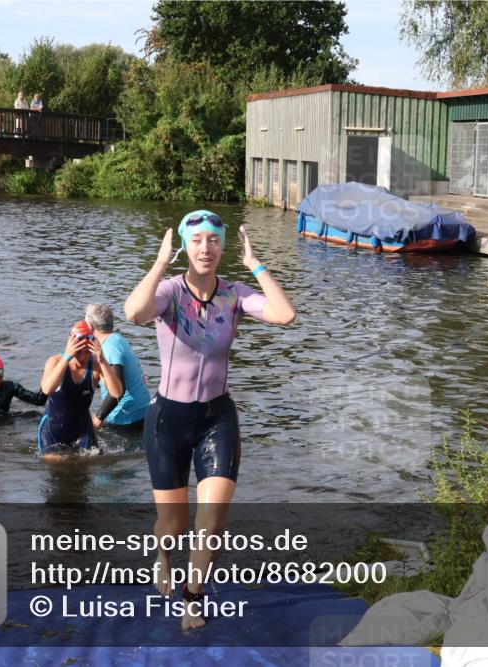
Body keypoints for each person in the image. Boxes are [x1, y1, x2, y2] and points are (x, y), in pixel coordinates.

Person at [124, 210, 296, 630]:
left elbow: (284, 314)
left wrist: (256, 263)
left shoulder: (234, 294)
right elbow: (133, 313)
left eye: (214, 240)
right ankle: (163, 555)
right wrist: (161, 261)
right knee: (173, 525)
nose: (206, 248)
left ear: (223, 247)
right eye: (197, 240)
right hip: (168, 419)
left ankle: (192, 597)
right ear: (186, 245)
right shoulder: (169, 291)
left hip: (217, 418)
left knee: (213, 518)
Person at [38, 321, 122, 457]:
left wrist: (103, 362)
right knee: (57, 464)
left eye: (88, 351)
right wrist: (67, 357)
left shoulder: (96, 364)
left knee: (87, 466)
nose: (84, 356)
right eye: (79, 351)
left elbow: (117, 393)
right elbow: (46, 389)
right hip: (53, 430)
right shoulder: (55, 361)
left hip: (83, 431)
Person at [84, 303, 150, 430]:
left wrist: (98, 418)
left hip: (127, 418)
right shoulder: (117, 339)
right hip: (141, 411)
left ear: (90, 326)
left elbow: (118, 389)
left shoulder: (110, 348)